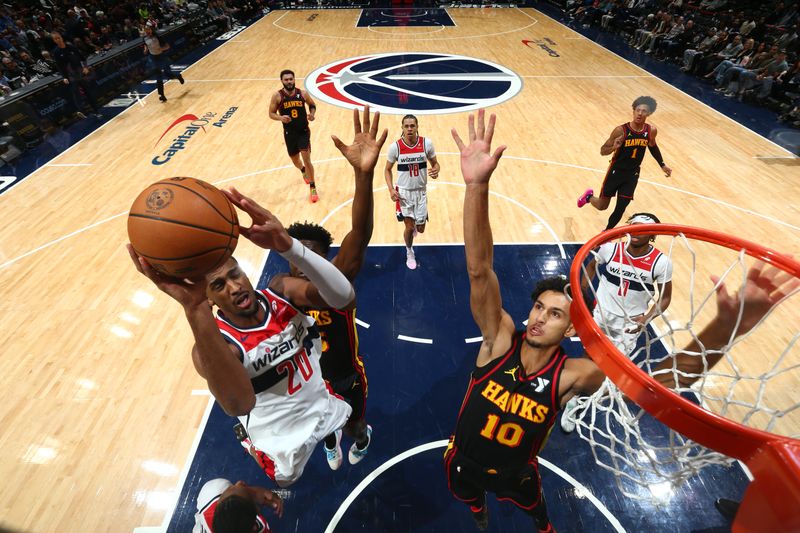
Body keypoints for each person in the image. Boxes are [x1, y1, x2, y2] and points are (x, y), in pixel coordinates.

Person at [444, 110, 795, 532]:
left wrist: (730, 324)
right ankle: (479, 512)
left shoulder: (573, 375)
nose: (540, 318)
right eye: (539, 308)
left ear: (573, 328)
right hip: (462, 461)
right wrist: (476, 187)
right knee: (471, 501)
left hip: (520, 471)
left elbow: (663, 383)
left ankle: (542, 523)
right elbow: (480, 270)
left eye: (556, 313)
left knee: (535, 509)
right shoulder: (498, 343)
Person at [127, 187, 356, 487]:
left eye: (235, 275)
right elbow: (238, 405)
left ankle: (328, 439)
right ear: (208, 298)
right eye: (219, 286)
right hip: (279, 439)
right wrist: (194, 307)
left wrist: (289, 246)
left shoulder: (281, 292)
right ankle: (250, 444)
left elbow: (344, 298)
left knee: (345, 420)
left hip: (320, 404)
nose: (234, 288)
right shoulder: (215, 346)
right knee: (285, 480)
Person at [278, 106, 387, 470]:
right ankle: (329, 441)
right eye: (300, 261)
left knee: (354, 425)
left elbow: (359, 235)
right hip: (308, 385)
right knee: (321, 429)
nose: (307, 268)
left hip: (346, 376)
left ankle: (361, 436)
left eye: (316, 261)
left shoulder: (336, 283)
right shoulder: (279, 292)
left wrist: (363, 175)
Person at [560, 212, 673, 433]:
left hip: (628, 326)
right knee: (589, 356)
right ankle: (574, 395)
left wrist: (647, 318)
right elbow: (591, 266)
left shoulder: (661, 263)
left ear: (652, 235)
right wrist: (582, 293)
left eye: (642, 228)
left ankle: (583, 399)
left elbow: (665, 297)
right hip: (600, 316)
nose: (635, 231)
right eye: (633, 226)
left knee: (609, 368)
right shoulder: (611, 249)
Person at [577, 96, 672, 231]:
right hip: (616, 172)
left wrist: (662, 165)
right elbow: (603, 151)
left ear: (649, 113)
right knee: (602, 206)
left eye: (644, 111)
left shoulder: (651, 131)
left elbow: (652, 146)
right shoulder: (621, 130)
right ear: (633, 111)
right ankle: (589, 197)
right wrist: (614, 147)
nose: (640, 113)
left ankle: (606, 233)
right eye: (637, 110)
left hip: (632, 174)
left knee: (621, 207)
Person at [383, 114, 440, 270]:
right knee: (409, 227)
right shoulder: (395, 147)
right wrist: (390, 190)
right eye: (406, 126)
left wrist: (436, 170)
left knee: (420, 229)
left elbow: (436, 164)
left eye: (412, 126)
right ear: (402, 128)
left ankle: (416, 225)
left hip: (421, 191)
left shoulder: (426, 144)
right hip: (404, 193)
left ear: (417, 127)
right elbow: (387, 170)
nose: (409, 129)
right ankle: (409, 251)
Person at [269, 69, 319, 203]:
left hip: (303, 131)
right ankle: (302, 170)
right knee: (296, 161)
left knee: (307, 158)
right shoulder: (277, 96)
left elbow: (312, 105)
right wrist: (280, 117)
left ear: (294, 79)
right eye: (286, 80)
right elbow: (271, 114)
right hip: (289, 134)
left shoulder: (302, 93)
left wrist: (312, 114)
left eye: (291, 79)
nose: (289, 81)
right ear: (282, 81)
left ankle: (313, 187)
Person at [193, 478, 283, 533]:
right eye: (245, 488)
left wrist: (253, 493)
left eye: (230, 488)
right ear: (254, 527)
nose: (241, 483)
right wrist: (252, 492)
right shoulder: (262, 529)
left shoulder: (211, 491)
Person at [50, 30, 101, 120]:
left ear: (61, 38)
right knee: (75, 93)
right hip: (71, 76)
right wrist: (64, 77)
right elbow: (59, 67)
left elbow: (82, 57)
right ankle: (81, 111)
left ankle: (96, 111)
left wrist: (85, 67)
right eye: (55, 39)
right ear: (54, 41)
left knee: (88, 92)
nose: (58, 40)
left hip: (80, 73)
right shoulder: (56, 52)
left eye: (58, 38)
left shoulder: (71, 47)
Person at [143, 22, 184, 102]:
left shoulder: (158, 37)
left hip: (161, 57)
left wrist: (161, 49)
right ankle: (162, 95)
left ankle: (178, 76)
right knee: (158, 77)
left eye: (149, 30)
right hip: (153, 58)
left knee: (168, 74)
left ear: (151, 30)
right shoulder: (144, 38)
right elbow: (145, 44)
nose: (147, 31)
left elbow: (167, 46)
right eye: (146, 30)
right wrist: (145, 49)